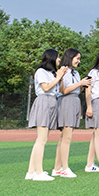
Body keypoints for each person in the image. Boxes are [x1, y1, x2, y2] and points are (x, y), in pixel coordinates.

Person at [26, 49, 67, 181]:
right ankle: (39, 173)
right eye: (57, 57)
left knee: (41, 139)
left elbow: (60, 89)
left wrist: (60, 76)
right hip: (44, 101)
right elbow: (46, 88)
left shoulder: (53, 73)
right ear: (51, 58)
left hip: (52, 102)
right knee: (41, 140)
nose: (59, 60)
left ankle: (31, 171)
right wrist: (58, 77)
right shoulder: (41, 71)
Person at [52, 48, 91, 178]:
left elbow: (75, 90)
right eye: (77, 58)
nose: (78, 61)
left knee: (64, 137)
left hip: (74, 101)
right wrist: (80, 83)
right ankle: (65, 168)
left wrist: (82, 85)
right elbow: (64, 90)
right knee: (66, 137)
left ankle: (57, 168)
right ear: (70, 57)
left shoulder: (76, 73)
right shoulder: (63, 71)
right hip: (65, 101)